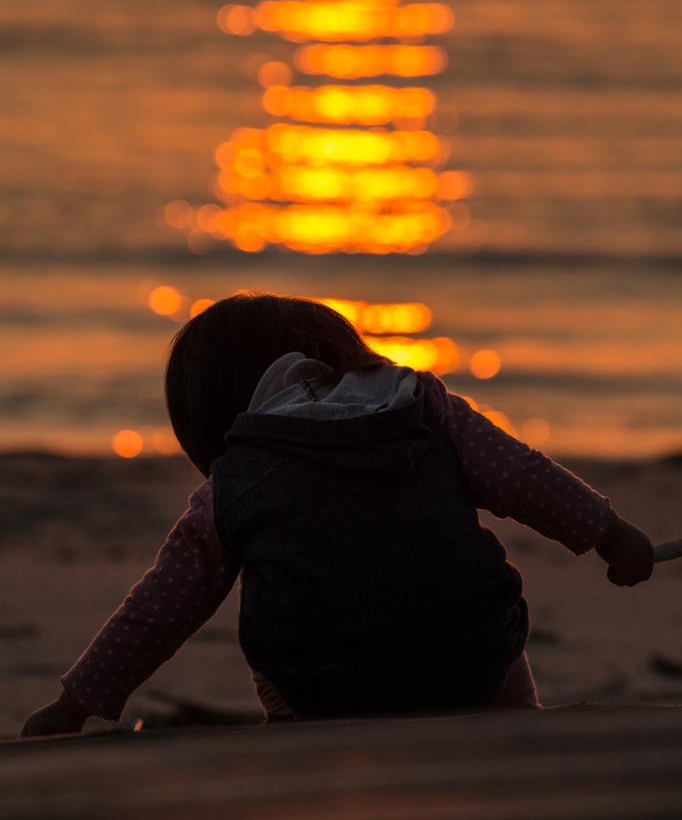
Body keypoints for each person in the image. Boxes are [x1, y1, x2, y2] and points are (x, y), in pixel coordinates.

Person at [21, 292, 654, 736]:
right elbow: (520, 475)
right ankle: (514, 737)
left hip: (319, 683)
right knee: (492, 653)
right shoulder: (421, 405)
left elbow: (161, 607)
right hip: (468, 652)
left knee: (284, 646)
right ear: (330, 348)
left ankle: (299, 746)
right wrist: (610, 533)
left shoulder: (233, 480)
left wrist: (78, 702)